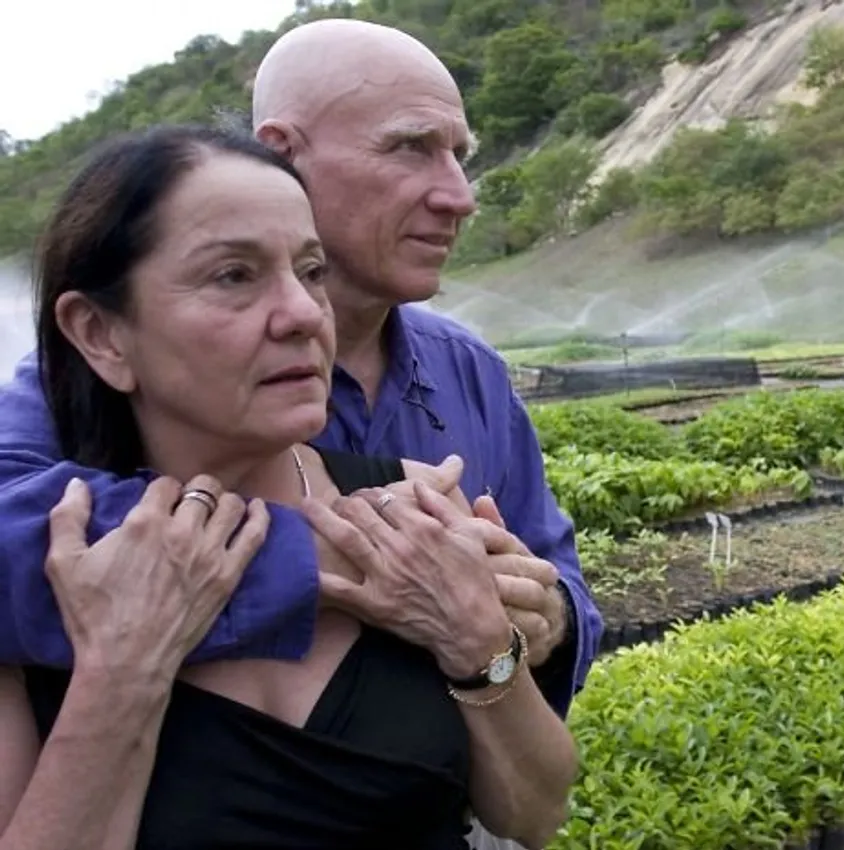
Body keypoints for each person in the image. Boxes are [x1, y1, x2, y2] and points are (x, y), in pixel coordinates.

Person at [0, 18, 601, 720]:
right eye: (410, 147)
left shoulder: (471, 372)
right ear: (280, 154)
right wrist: (343, 554)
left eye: (459, 155)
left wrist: (547, 615)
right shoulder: (116, 367)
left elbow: (562, 583)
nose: (459, 195)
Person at [0, 123, 577, 849]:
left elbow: (535, 812)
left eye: (311, 272)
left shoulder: (416, 509)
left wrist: (482, 645)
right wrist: (124, 677)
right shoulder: (47, 581)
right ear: (101, 334)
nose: (305, 314)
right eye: (233, 276)